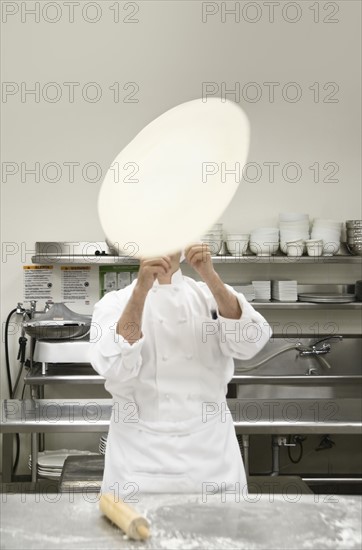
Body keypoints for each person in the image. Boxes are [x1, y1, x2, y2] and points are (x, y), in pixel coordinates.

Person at [89, 244, 271, 497]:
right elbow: (115, 366)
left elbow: (250, 342)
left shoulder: (210, 295)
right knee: (131, 536)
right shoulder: (115, 303)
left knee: (222, 534)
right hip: (138, 462)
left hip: (210, 461)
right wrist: (142, 288)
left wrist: (210, 275)